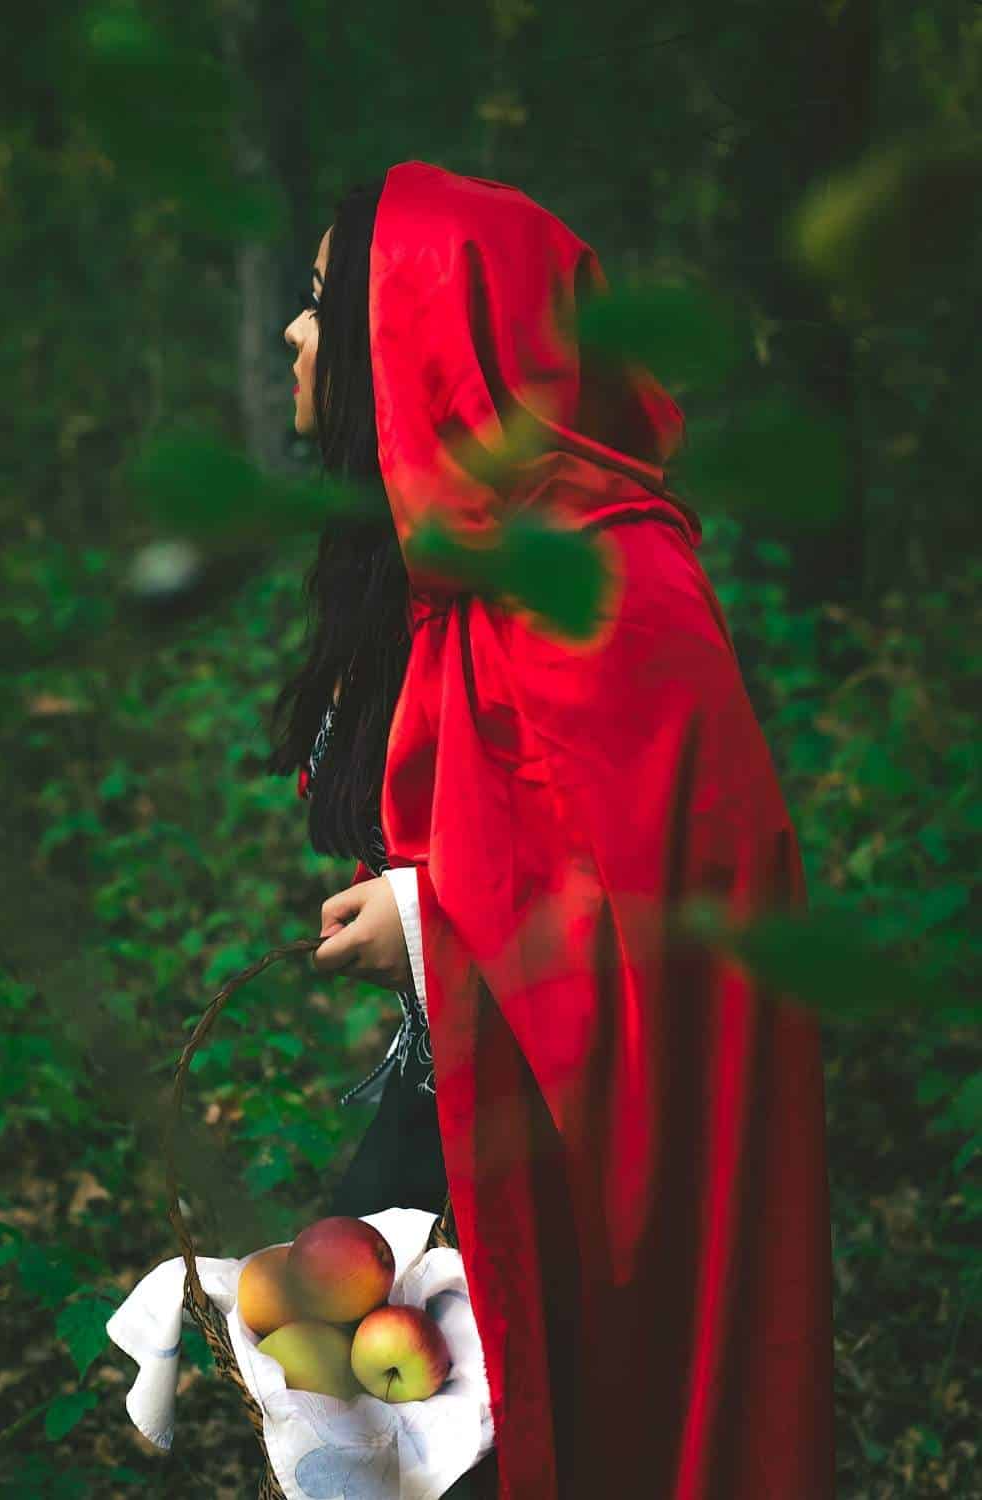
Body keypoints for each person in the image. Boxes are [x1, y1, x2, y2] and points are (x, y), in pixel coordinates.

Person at [272, 162, 836, 1499]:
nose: (294, 335)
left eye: (317, 303)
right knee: (341, 1423)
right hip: (475, 1096)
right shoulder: (452, 567)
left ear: (413, 333)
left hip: (565, 1152)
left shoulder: (609, 584)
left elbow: (686, 917)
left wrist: (429, 918)